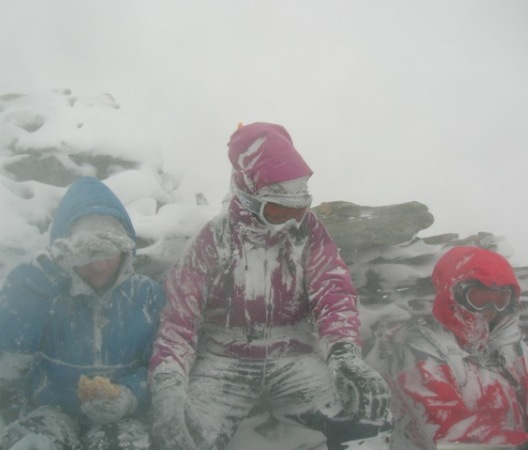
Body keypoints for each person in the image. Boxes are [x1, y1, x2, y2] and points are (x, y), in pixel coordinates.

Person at [148, 122, 391, 450]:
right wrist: (169, 382)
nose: (290, 222)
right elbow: (179, 320)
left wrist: (343, 353)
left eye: (299, 210)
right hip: (223, 360)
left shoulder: (308, 231)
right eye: (277, 210)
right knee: (181, 435)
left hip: (293, 355)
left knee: (366, 417)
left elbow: (333, 291)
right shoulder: (214, 239)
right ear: (249, 198)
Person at [0, 176, 166, 450]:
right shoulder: (47, 291)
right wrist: (36, 282)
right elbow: (3, 337)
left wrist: (131, 396)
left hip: (123, 418)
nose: (100, 266)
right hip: (50, 411)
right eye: (88, 252)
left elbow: (162, 363)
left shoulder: (147, 294)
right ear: (67, 250)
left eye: (110, 250)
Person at [383, 246, 528, 450]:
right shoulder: (420, 348)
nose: (490, 310)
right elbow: (447, 431)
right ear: (453, 295)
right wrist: (525, 445)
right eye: (479, 298)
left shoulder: (510, 347)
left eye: (500, 300)